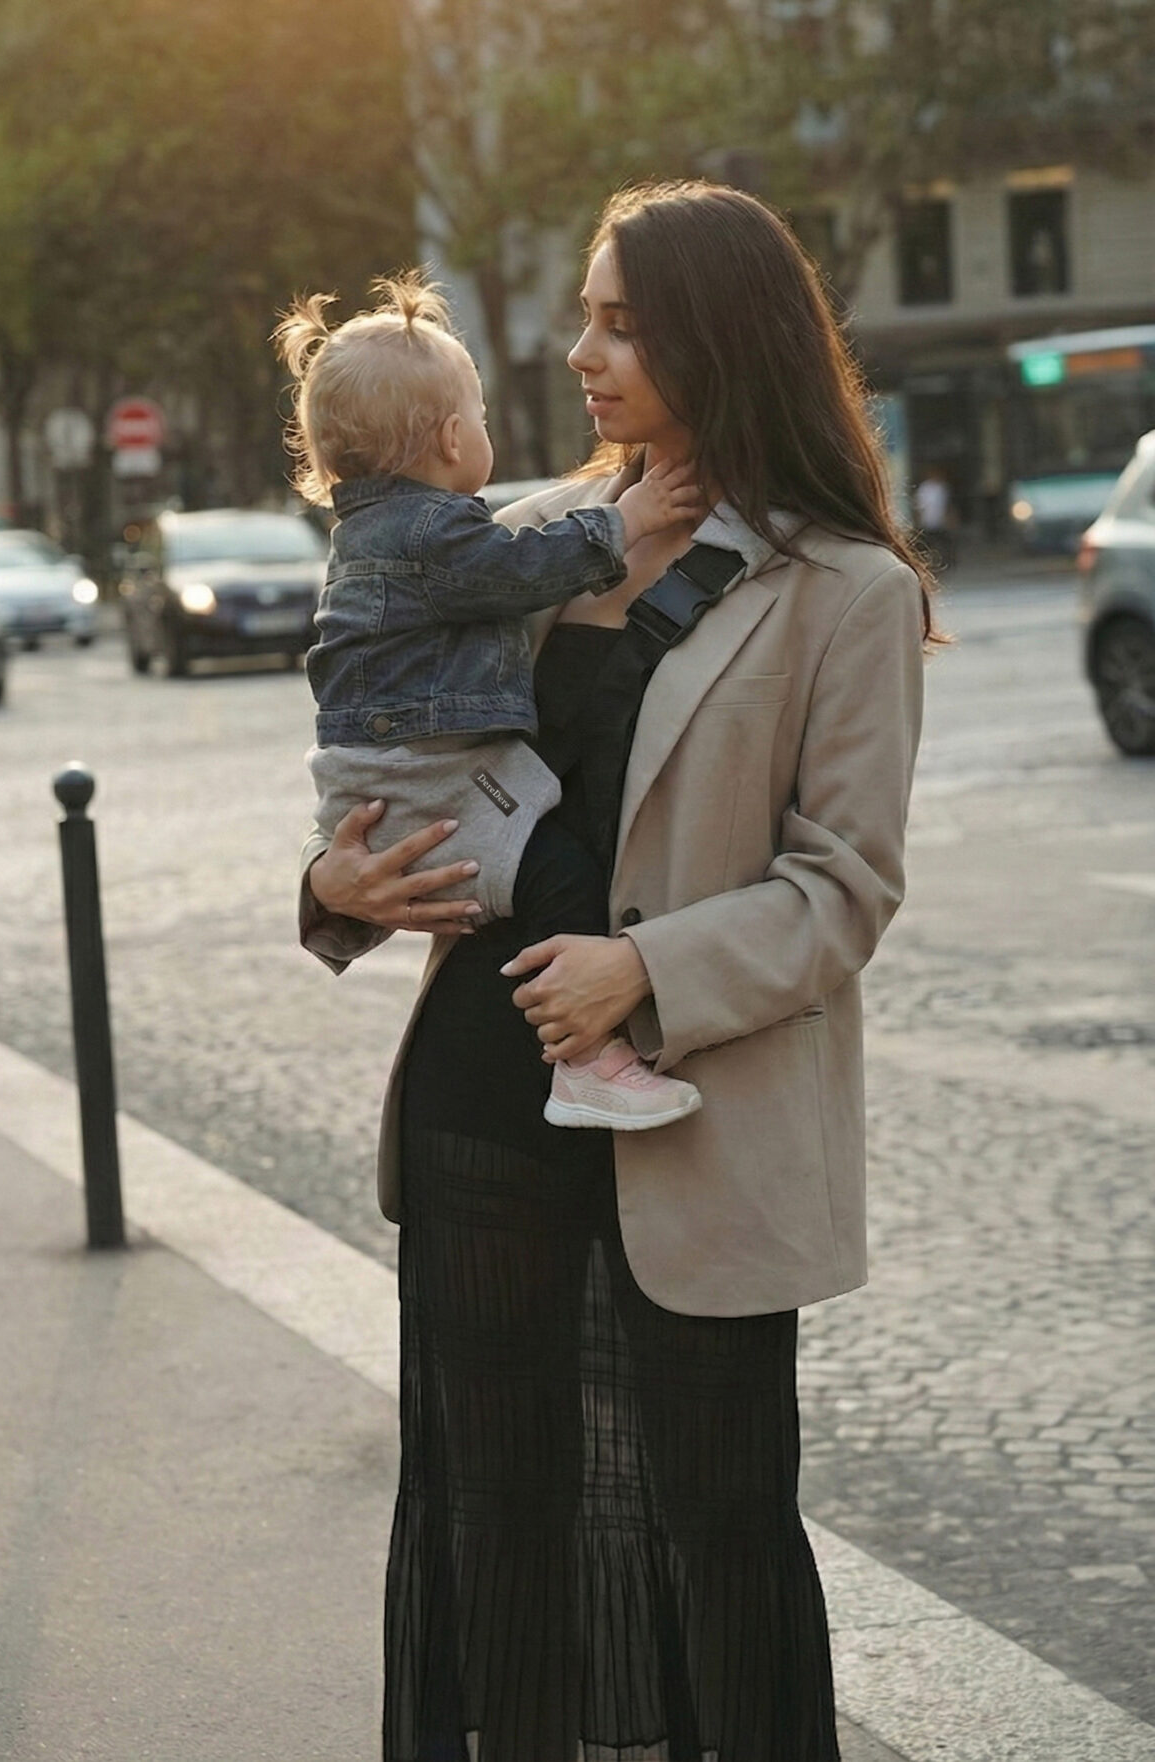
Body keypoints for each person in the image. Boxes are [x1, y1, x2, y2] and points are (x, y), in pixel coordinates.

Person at [299, 180, 935, 1762]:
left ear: (721, 340)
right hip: (483, 1100)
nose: (582, 353)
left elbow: (842, 886)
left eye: (622, 324)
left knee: (721, 1518)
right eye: (588, 318)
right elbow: (396, 749)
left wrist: (640, 970)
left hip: (699, 1116)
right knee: (498, 1509)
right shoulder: (524, 540)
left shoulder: (848, 587)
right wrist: (333, 886)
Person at [275, 275, 704, 1131]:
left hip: (379, 777)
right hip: (430, 788)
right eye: (479, 417)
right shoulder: (451, 534)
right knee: (561, 880)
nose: (580, 355)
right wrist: (631, 520)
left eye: (617, 326)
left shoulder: (368, 535)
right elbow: (523, 569)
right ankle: (588, 1059)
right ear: (449, 438)